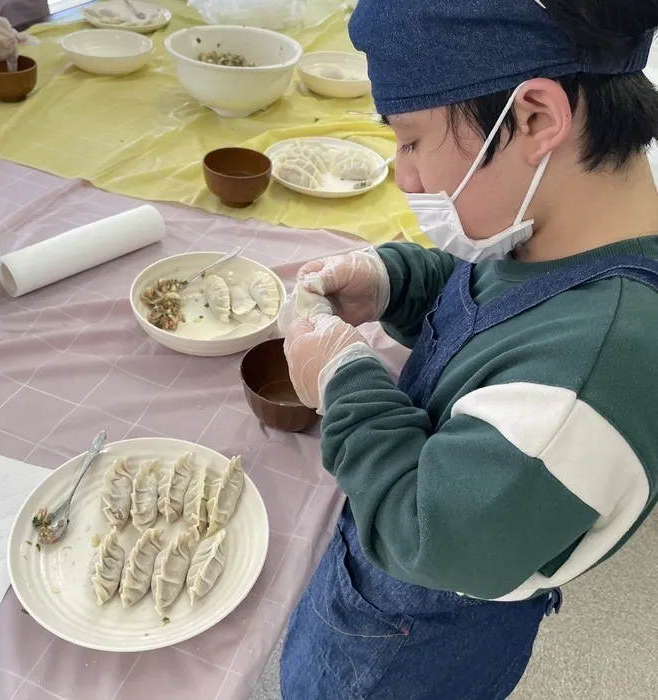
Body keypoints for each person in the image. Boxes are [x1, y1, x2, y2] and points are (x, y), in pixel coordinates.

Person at [280, 0, 658, 698]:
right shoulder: (552, 233)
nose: (405, 176)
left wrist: (344, 383)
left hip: (412, 655)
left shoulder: (598, 372)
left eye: (413, 141)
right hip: (381, 588)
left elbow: (431, 530)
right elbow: (486, 301)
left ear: (535, 118)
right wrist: (395, 283)